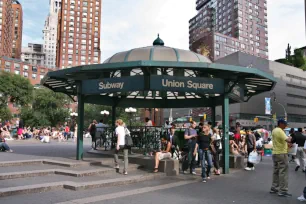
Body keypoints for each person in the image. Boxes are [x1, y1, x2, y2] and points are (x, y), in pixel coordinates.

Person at [270, 119, 292, 197]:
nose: (286, 125)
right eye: (285, 124)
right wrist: (292, 137)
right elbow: (288, 140)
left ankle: (274, 187)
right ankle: (283, 190)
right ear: (281, 124)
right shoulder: (280, 131)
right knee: (283, 172)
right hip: (281, 153)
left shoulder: (274, 130)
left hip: (275, 153)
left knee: (276, 171)